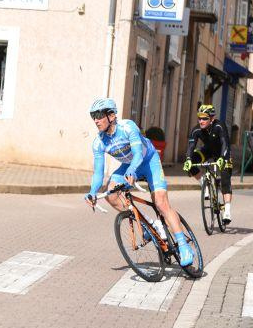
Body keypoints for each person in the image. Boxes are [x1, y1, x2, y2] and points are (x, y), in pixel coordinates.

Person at [84, 98, 195, 266]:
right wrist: (92, 191)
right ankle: (149, 225)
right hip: (128, 165)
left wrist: (133, 170)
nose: (96, 120)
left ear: (112, 115)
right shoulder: (99, 142)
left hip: (148, 161)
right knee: (110, 194)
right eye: (93, 116)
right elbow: (98, 172)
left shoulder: (128, 127)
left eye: (99, 115)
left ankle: (184, 245)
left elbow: (138, 154)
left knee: (161, 203)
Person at [183, 104, 233, 223]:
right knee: (190, 162)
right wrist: (189, 159)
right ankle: (204, 184)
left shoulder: (219, 126)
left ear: (212, 119)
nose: (201, 121)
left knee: (225, 180)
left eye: (204, 118)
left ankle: (227, 210)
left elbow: (225, 142)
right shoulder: (196, 130)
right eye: (199, 118)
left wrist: (222, 158)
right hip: (208, 152)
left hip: (222, 153)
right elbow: (191, 146)